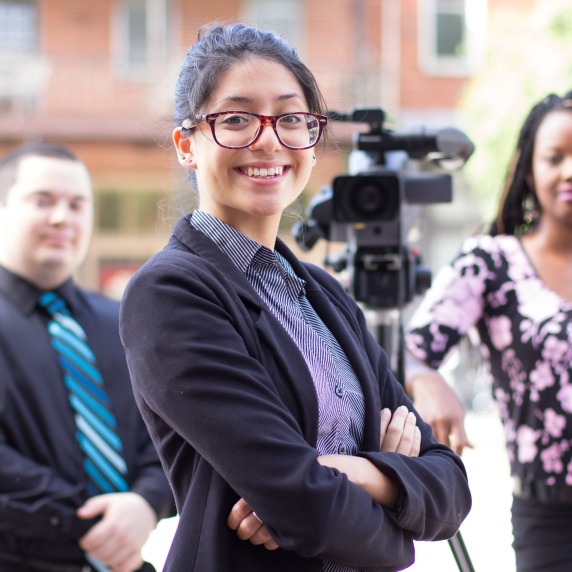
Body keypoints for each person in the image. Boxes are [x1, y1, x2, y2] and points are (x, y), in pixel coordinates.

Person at [118, 23, 471, 572]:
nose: (268, 139)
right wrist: (399, 527)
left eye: (291, 118)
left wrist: (358, 473)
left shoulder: (323, 293)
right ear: (187, 144)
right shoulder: (170, 292)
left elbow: (450, 484)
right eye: (235, 119)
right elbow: (306, 504)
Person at [404, 90, 572, 571]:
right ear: (528, 165)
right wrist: (426, 378)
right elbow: (404, 352)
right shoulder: (490, 262)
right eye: (555, 157)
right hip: (552, 520)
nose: (569, 170)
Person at [0, 141, 174, 572]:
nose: (62, 217)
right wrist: (91, 520)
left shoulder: (124, 322)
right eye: (43, 201)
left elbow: (170, 431)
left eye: (78, 205)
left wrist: (145, 503)